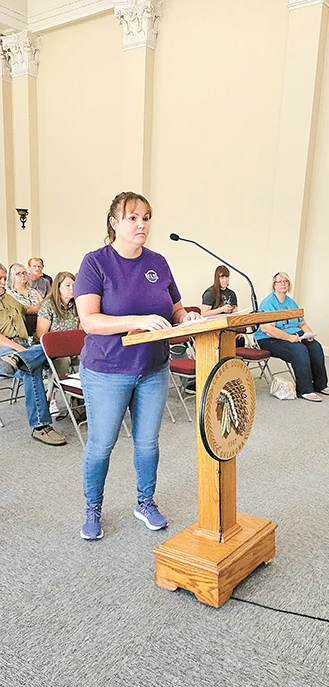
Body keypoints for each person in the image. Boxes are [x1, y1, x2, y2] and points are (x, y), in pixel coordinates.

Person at [74, 190, 200, 541]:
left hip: (153, 368)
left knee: (148, 443)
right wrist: (139, 320)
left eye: (145, 218)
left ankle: (145, 502)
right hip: (107, 370)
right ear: (114, 223)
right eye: (132, 217)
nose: (141, 224)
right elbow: (90, 321)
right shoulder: (95, 262)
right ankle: (93, 508)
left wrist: (185, 315)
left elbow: (174, 308)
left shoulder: (158, 262)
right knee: (102, 444)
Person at [0, 264, 66, 445]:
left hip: (19, 350)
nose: (3, 283)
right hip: (4, 349)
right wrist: (18, 349)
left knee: (49, 347)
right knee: (33, 366)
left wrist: (51, 303)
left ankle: (19, 360)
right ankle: (40, 427)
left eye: (4, 278)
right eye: (0, 279)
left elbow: (29, 309)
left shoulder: (8, 299)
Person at [255, 272, 329, 402]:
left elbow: (302, 323)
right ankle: (305, 390)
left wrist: (309, 335)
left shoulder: (291, 302)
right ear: (274, 285)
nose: (283, 283)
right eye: (279, 281)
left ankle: (320, 385)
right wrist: (289, 338)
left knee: (315, 347)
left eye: (285, 281)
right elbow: (267, 329)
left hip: (294, 334)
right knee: (299, 350)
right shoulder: (268, 303)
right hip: (269, 339)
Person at [37, 271, 80, 377]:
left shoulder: (77, 305)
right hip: (54, 348)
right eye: (67, 286)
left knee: (90, 357)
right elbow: (41, 334)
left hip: (72, 347)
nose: (72, 289)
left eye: (74, 286)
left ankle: (82, 389)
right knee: (63, 360)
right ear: (58, 287)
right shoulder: (48, 305)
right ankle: (55, 388)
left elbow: (80, 331)